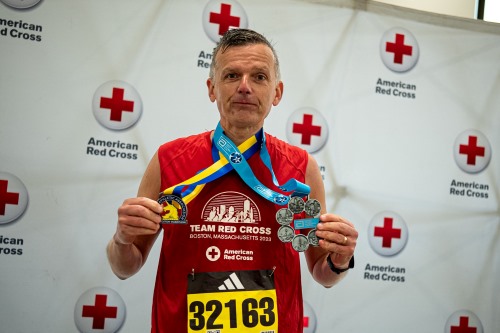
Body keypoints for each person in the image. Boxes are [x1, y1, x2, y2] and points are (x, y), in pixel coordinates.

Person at [107, 28, 358, 333]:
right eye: (231, 76)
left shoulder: (302, 168)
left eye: (259, 77)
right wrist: (121, 238)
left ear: (277, 92)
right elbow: (125, 267)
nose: (244, 87)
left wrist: (340, 259)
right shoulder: (168, 160)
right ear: (212, 88)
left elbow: (322, 273)